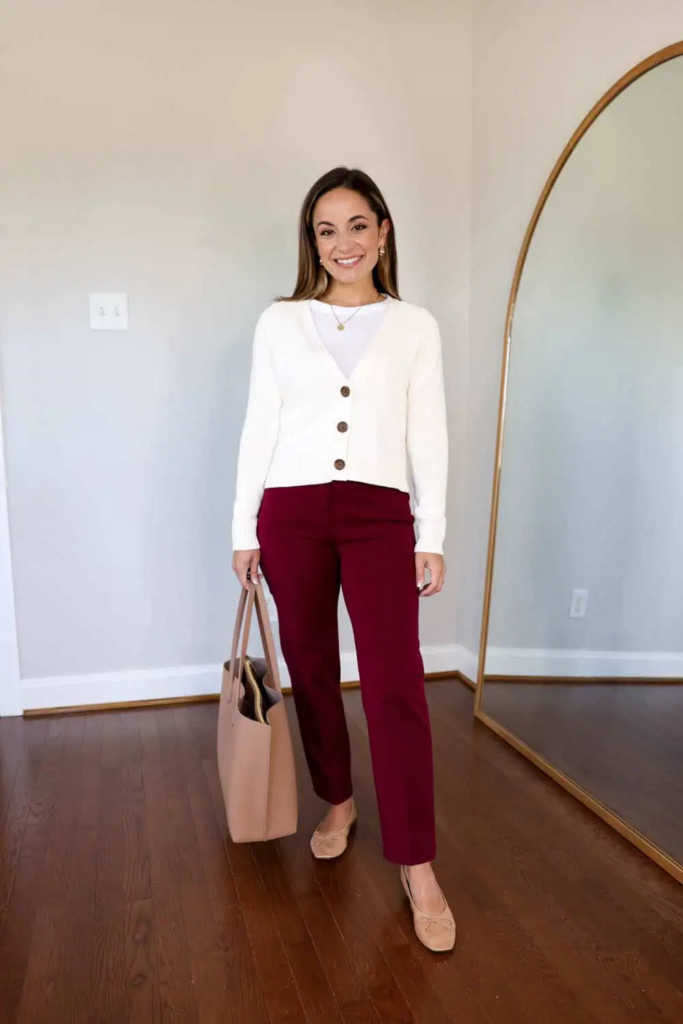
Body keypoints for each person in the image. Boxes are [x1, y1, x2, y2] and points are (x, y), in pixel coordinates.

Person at [231, 167, 455, 952]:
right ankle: (337, 799)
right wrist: (242, 526)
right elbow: (260, 421)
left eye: (357, 226)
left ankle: (416, 863)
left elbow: (427, 431)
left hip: (377, 515)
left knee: (396, 682)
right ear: (311, 241)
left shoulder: (414, 325)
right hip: (290, 513)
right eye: (326, 230)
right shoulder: (279, 322)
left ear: (383, 231)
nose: (342, 244)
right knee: (311, 663)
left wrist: (430, 531)